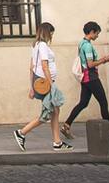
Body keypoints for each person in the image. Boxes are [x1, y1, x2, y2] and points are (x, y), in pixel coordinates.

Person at [13, 22, 72, 151]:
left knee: (55, 111)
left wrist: (32, 87)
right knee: (47, 113)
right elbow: (44, 66)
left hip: (39, 80)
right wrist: (52, 85)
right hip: (45, 81)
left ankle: (57, 142)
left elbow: (31, 67)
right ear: (47, 32)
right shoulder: (43, 46)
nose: (52, 35)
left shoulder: (35, 46)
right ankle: (21, 132)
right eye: (51, 33)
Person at [60, 21, 109, 141]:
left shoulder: (82, 43)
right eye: (97, 33)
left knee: (83, 102)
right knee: (103, 102)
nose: (97, 36)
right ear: (92, 32)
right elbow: (90, 64)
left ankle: (66, 125)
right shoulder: (87, 46)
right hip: (91, 78)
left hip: (85, 78)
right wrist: (104, 59)